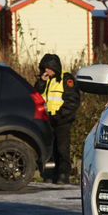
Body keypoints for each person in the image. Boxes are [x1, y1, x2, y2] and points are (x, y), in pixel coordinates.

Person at [34, 54, 80, 184]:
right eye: (44, 68)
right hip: (46, 120)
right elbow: (35, 96)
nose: (46, 71)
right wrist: (41, 83)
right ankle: (49, 174)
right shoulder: (44, 80)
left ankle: (63, 174)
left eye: (48, 68)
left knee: (62, 149)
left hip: (62, 121)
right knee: (48, 150)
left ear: (54, 68)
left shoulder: (66, 79)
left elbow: (72, 101)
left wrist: (60, 116)